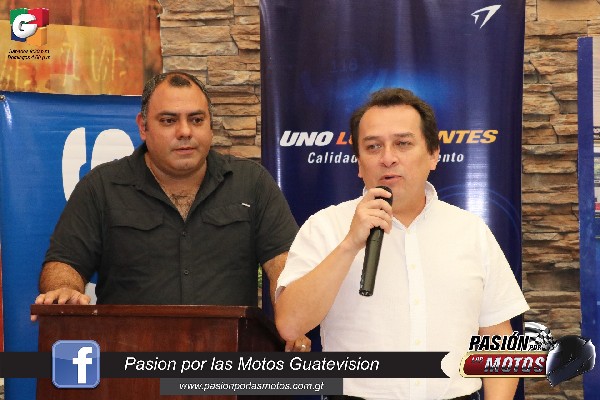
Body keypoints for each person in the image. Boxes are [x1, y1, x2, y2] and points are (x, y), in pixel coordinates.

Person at [275, 88, 529, 398]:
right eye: (373, 147)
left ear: (433, 154)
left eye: (403, 143)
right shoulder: (325, 227)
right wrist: (350, 244)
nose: (388, 158)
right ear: (358, 163)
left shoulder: (471, 231)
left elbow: (500, 338)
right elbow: (290, 325)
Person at [33, 71, 310, 352]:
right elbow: (64, 263)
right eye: (168, 120)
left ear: (210, 126)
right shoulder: (101, 187)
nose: (185, 131)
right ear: (143, 127)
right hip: (129, 364)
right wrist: (65, 290)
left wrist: (292, 320)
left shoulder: (251, 183)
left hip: (228, 364)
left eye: (196, 120)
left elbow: (284, 266)